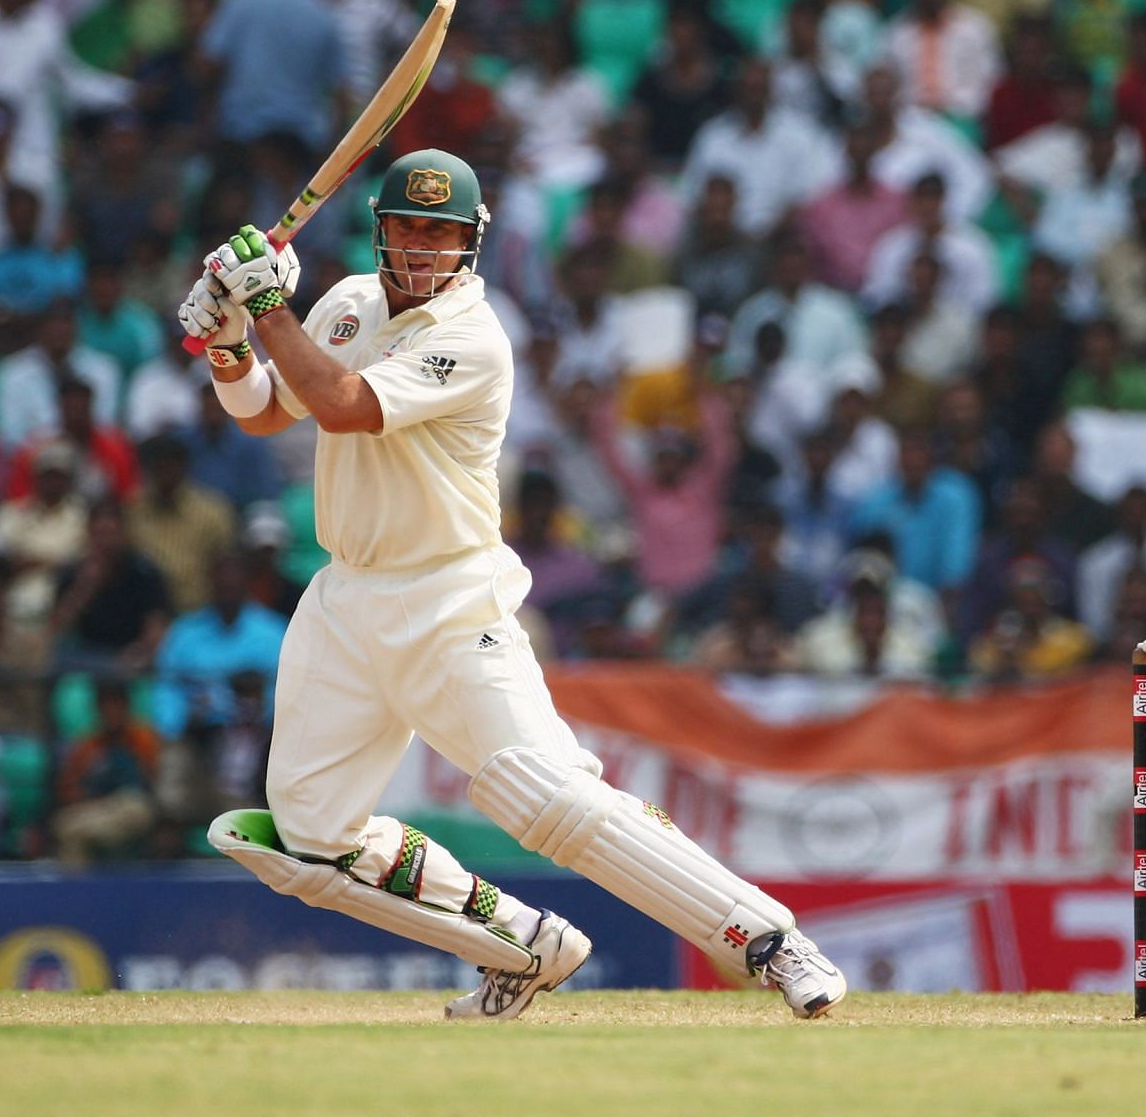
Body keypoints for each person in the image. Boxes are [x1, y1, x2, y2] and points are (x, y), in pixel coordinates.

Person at [176, 147, 844, 1020]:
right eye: (407, 228)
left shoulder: (474, 339)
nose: (421, 249)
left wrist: (263, 306)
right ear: (380, 232)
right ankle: (524, 944)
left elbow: (341, 403)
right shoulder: (344, 302)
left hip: (449, 599)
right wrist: (229, 345)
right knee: (304, 844)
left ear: (472, 242)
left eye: (441, 233)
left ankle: (771, 943)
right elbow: (271, 409)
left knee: (544, 794)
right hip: (345, 601)